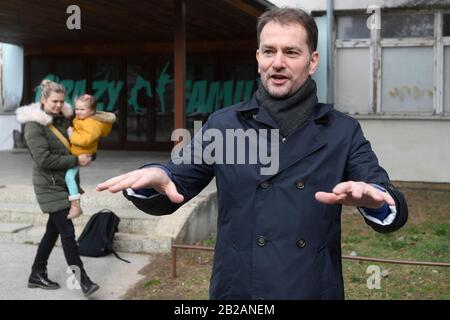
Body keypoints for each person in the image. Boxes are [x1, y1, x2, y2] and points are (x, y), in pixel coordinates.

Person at [97, 8, 408, 299]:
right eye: (269, 51)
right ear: (258, 57)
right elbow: (176, 180)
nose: (278, 62)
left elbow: (386, 199)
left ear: (312, 61)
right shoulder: (224, 124)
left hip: (312, 288)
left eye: (291, 52)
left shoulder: (342, 130)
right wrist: (158, 176)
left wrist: (376, 199)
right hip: (239, 291)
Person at [16, 79, 100, 298]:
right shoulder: (34, 125)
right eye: (54, 101)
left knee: (52, 231)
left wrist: (88, 153)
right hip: (49, 185)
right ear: (43, 99)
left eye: (61, 102)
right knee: (67, 232)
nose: (58, 105)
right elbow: (43, 159)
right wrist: (75, 160)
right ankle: (83, 280)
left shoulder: (63, 119)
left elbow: (77, 143)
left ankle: (36, 273)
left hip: (64, 182)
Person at [65, 94, 116, 219]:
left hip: (82, 153)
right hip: (77, 151)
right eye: (77, 109)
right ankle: (74, 193)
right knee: (71, 176)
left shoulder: (92, 124)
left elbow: (86, 140)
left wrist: (72, 135)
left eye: (82, 109)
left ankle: (75, 205)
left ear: (92, 111)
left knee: (69, 176)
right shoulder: (84, 119)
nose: (78, 112)